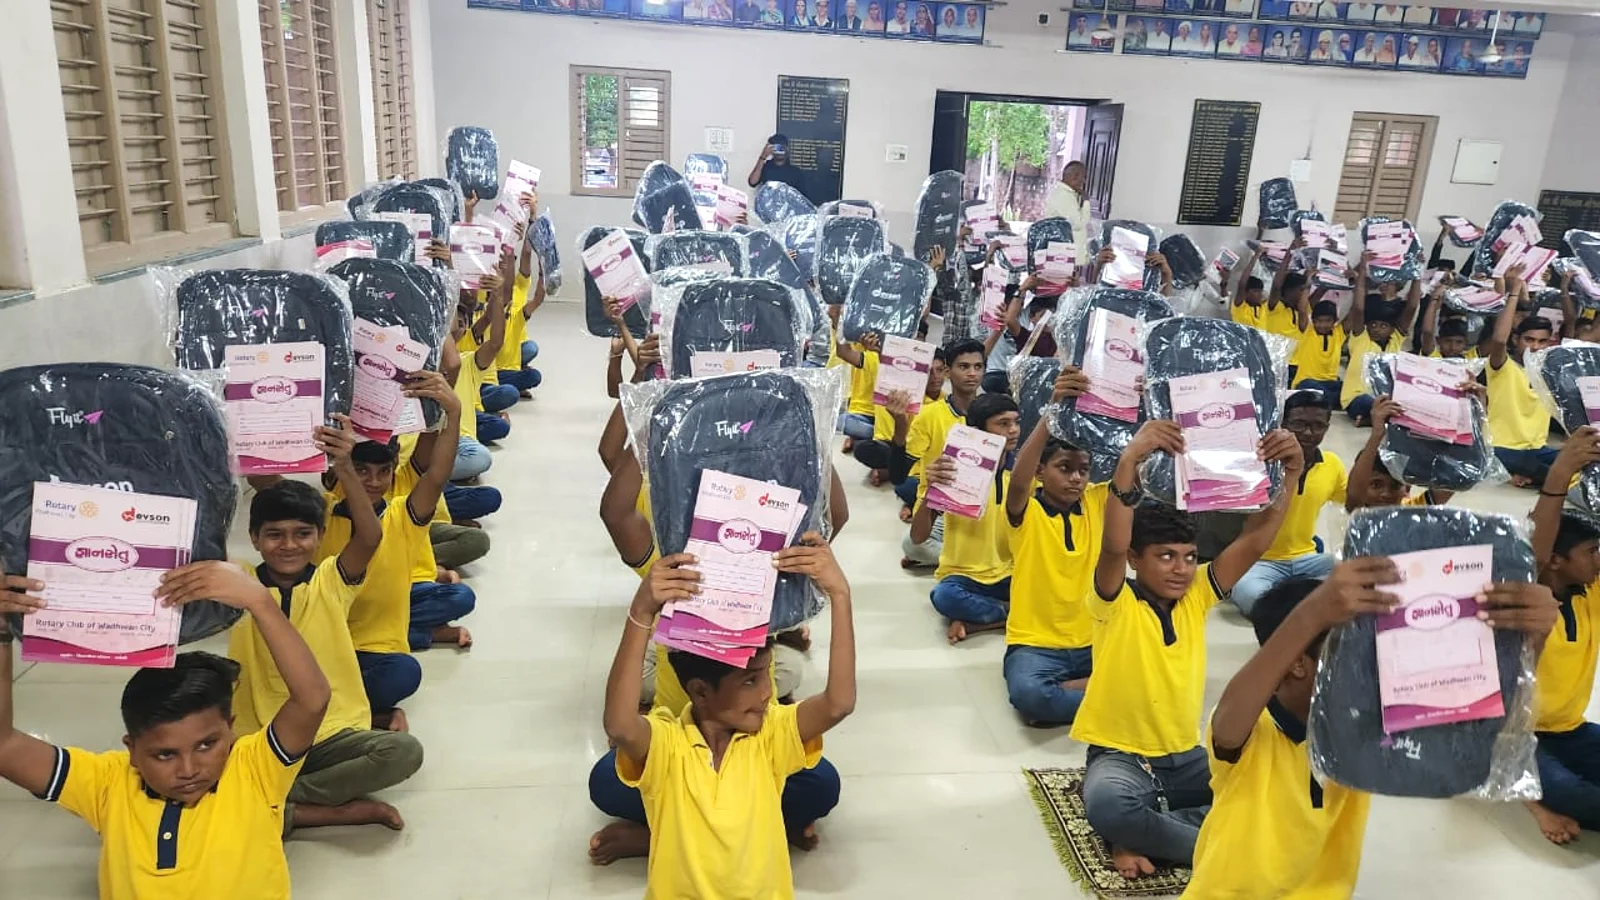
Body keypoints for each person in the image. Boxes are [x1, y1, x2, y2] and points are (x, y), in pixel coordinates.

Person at [1186, 567, 1555, 895]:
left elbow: (1479, 729)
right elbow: (1228, 725)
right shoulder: (1255, 725)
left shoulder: (1365, 721)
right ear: (1299, 663)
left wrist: (1531, 640)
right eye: (1354, 651)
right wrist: (1313, 613)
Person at [0, 559, 332, 897]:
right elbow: (5, 748)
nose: (188, 769)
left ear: (230, 730)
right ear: (131, 749)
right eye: (164, 754)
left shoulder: (253, 770)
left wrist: (259, 603)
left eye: (206, 745)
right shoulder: (107, 784)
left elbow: (312, 699)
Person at [1074, 421, 1302, 879]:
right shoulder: (1114, 601)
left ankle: (1147, 835)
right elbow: (1114, 545)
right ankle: (1221, 847)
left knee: (1266, 781)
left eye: (1188, 556)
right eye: (1165, 556)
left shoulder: (1196, 595)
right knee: (1108, 804)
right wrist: (1129, 461)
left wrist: (1291, 475)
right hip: (1122, 757)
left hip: (1184, 758)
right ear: (1138, 560)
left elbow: (1256, 539)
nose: (1181, 569)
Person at [601, 537, 855, 894]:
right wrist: (641, 612)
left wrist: (840, 595)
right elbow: (620, 725)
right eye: (750, 681)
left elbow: (838, 703)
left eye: (766, 675)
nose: (767, 693)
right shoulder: (669, 746)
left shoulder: (770, 735)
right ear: (701, 691)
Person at [232, 425, 424, 833]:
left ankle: (281, 804)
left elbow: (370, 534)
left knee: (403, 752)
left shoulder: (330, 582)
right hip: (262, 739)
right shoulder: (240, 582)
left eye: (303, 534)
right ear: (254, 539)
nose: (289, 545)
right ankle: (319, 807)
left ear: (320, 538)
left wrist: (345, 468)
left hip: (332, 733)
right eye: (274, 536)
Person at [1002, 369, 1103, 725]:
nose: (1076, 478)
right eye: (1065, 468)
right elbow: (1018, 480)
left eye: (1083, 470)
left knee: (1157, 668)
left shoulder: (1096, 503)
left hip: (1093, 641)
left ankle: (1079, 690)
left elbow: (1131, 465)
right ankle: (1101, 692)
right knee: (1029, 695)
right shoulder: (1026, 511)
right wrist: (1054, 409)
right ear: (1041, 472)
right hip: (1036, 644)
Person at [1527, 434, 1600, 844]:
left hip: (1572, 729)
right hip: (1517, 739)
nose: (1598, 559)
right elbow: (1533, 552)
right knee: (1572, 793)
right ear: (1556, 560)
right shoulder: (1520, 598)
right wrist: (1559, 473)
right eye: (1591, 551)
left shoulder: (1591, 592)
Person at [912, 393, 1021, 644]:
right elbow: (918, 537)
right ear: (979, 432)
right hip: (963, 577)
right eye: (1003, 424)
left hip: (1010, 573)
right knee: (944, 597)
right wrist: (931, 491)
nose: (1013, 430)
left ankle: (980, 620)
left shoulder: (1021, 476)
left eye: (1016, 422)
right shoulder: (953, 472)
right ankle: (1009, 615)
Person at [1229, 391, 1344, 618]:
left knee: (1357, 570)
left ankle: (1291, 601)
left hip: (1307, 558)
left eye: (1318, 426)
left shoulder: (1332, 465)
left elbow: (1357, 502)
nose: (1308, 433)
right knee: (1251, 596)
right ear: (1282, 423)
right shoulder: (1257, 462)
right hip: (1258, 562)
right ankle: (1307, 603)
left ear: (1327, 428)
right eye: (1299, 424)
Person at [867, 337, 984, 524]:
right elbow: (898, 476)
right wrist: (900, 426)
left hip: (976, 507)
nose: (972, 373)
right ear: (948, 372)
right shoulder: (930, 415)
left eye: (978, 367)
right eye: (964, 367)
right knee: (914, 543)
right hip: (936, 507)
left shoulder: (992, 413)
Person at [1484, 265, 1558, 486]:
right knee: (1549, 474)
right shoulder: (1502, 365)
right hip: (1503, 448)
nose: (1535, 346)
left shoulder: (1548, 370)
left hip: (1537, 450)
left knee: (1580, 461)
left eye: (1542, 341)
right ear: (1516, 340)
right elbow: (1498, 339)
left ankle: (1523, 477)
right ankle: (1520, 476)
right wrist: (1514, 290)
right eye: (1529, 340)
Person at [1339, 257, 1418, 426]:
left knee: (1408, 406)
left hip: (1386, 398)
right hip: (1356, 399)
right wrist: (1362, 269)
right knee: (1382, 406)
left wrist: (1417, 271)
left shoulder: (1395, 340)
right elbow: (1359, 307)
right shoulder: (1361, 338)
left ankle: (1372, 419)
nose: (1376, 328)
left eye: (1383, 326)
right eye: (1373, 324)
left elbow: (1411, 307)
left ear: (1392, 329)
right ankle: (1376, 418)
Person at [1345, 395, 1457, 509]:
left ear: (1407, 488)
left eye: (1395, 486)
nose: (1386, 494)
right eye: (1375, 484)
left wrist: (1471, 411)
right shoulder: (1357, 515)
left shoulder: (1412, 512)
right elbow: (1354, 497)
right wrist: (1376, 434)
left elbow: (1453, 480)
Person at [1290, 299, 1345, 401]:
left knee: (1347, 388)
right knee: (1308, 385)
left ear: (1335, 321)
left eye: (1328, 321)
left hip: (1330, 382)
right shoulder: (1307, 331)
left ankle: (1325, 398)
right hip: (1306, 382)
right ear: (1313, 321)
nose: (1323, 325)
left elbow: (1356, 311)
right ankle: (1330, 399)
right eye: (1319, 321)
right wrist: (1306, 285)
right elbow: (1302, 310)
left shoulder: (1339, 333)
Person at [834, 332, 882, 444]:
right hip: (862, 415)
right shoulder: (870, 356)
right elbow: (843, 352)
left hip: (889, 421)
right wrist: (839, 323)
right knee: (841, 421)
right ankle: (880, 437)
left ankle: (879, 438)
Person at [1042, 160, 1093, 263]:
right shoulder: (1063, 196)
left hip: (1069, 255)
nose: (1084, 182)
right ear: (1074, 177)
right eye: (1083, 177)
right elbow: (1078, 224)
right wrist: (1086, 202)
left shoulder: (1069, 194)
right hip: (1065, 256)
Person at [747, 133, 812, 203]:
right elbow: (752, 182)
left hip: (788, 211)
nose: (780, 150)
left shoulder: (795, 172)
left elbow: (803, 199)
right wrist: (763, 156)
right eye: (777, 147)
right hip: (767, 209)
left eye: (782, 147)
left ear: (787, 149)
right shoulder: (766, 167)